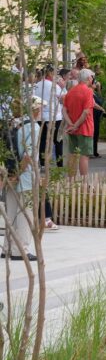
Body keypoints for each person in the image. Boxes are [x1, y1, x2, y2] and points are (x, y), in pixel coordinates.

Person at [4, 97, 41, 261]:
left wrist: (11, 174)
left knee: (11, 212)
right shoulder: (33, 127)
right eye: (39, 108)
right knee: (26, 212)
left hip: (9, 173)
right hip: (24, 175)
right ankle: (21, 249)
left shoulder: (13, 124)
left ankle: (7, 247)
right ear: (33, 110)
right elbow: (28, 156)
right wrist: (18, 173)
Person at [63, 69, 100, 178]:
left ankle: (71, 181)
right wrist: (76, 125)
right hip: (85, 128)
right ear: (89, 78)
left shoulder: (71, 91)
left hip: (72, 129)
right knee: (84, 156)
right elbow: (86, 112)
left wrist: (71, 124)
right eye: (92, 77)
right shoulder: (88, 91)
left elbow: (64, 110)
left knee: (73, 154)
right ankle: (84, 181)